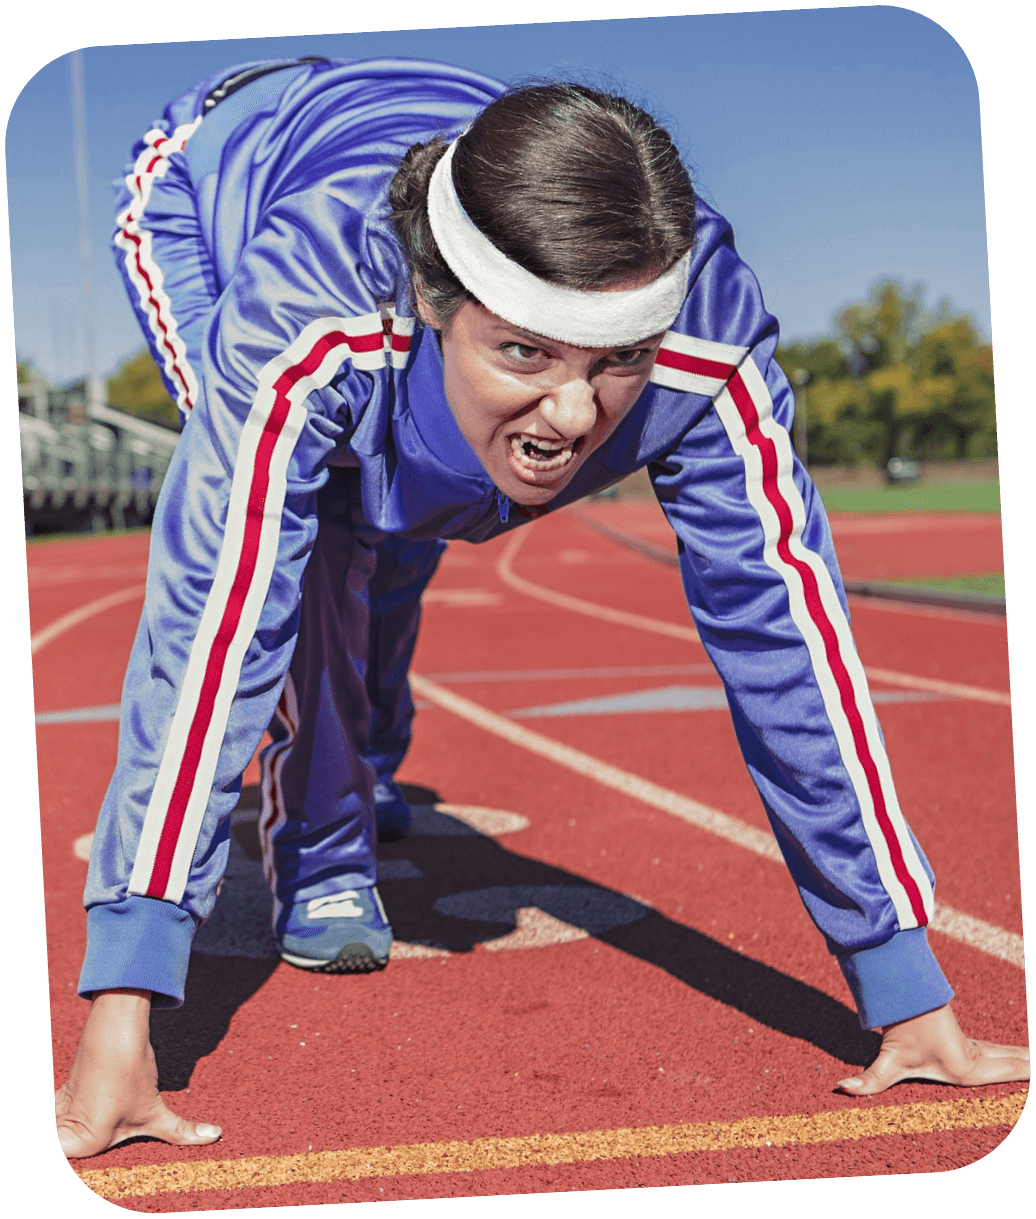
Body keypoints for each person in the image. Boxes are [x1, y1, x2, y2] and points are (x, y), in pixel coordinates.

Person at [55, 55, 1028, 1159]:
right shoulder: (311, 306)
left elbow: (788, 637)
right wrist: (127, 997)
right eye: (525, 348)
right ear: (433, 301)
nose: (572, 415)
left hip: (442, 167)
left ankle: (365, 749)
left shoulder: (705, 333)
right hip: (214, 181)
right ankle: (321, 844)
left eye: (615, 360)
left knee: (415, 513)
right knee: (315, 527)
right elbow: (214, 619)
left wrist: (902, 979)